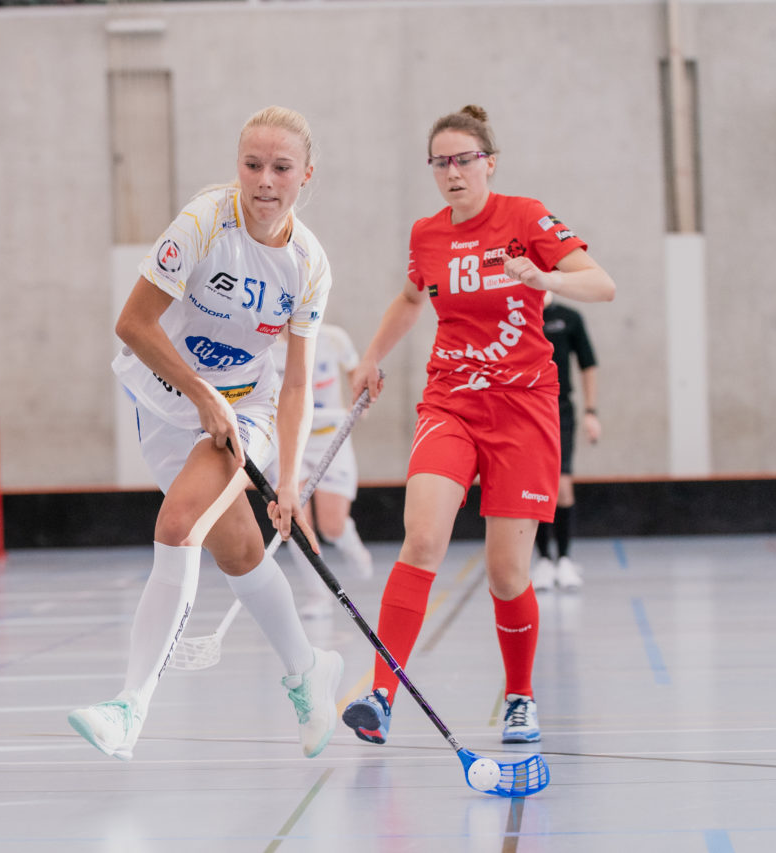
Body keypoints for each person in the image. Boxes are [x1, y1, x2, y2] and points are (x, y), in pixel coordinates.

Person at [67, 106, 344, 762]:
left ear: (307, 175)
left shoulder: (309, 265)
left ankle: (129, 706)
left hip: (246, 410)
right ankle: (310, 670)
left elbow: (298, 384)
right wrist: (199, 396)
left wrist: (288, 478)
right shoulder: (204, 222)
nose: (265, 181)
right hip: (166, 402)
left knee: (178, 520)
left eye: (281, 167)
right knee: (241, 549)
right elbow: (133, 323)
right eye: (253, 164)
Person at [341, 105, 615, 747]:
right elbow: (413, 298)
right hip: (451, 404)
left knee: (506, 574)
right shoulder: (428, 234)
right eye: (441, 162)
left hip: (523, 410)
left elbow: (601, 285)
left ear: (489, 162)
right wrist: (371, 358)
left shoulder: (525, 218)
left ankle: (519, 697)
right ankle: (380, 695)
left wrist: (542, 276)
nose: (453, 172)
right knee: (423, 540)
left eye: (465, 159)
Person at [269, 323, 374, 619]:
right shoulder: (265, 346)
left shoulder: (333, 339)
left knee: (331, 524)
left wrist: (362, 401)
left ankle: (349, 540)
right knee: (295, 521)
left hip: (330, 436)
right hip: (287, 439)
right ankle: (318, 595)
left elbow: (357, 375)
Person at [531, 290, 601, 591]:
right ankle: (544, 559)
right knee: (534, 489)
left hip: (560, 412)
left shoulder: (569, 318)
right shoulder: (517, 316)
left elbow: (588, 364)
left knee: (562, 486)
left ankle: (565, 559)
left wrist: (590, 411)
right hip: (526, 412)